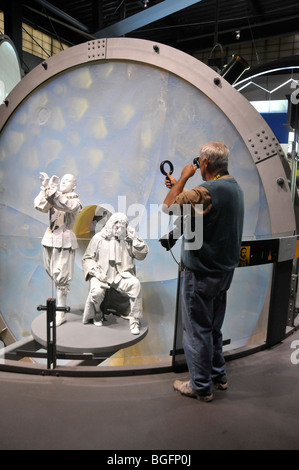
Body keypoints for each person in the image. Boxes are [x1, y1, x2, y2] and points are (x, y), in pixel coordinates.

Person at [163, 142, 244, 402]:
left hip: (200, 274)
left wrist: (184, 177)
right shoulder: (233, 187)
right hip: (224, 273)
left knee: (197, 330)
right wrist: (180, 187)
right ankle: (219, 376)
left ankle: (200, 386)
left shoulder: (206, 190)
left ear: (205, 162)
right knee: (213, 329)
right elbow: (203, 206)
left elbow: (168, 206)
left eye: (199, 161)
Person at [82, 212, 149, 335]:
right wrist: (96, 272)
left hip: (121, 276)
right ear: (110, 225)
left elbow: (141, 255)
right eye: (116, 227)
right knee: (97, 292)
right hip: (101, 275)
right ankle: (97, 313)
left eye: (122, 228)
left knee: (135, 284)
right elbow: (87, 259)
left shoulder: (127, 241)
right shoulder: (98, 238)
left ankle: (134, 320)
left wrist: (134, 239)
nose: (118, 230)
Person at [34, 172, 82, 326]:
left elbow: (64, 205)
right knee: (53, 274)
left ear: (74, 185)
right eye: (63, 179)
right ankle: (58, 311)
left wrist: (52, 192)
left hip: (64, 240)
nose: (63, 182)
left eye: (68, 181)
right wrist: (45, 187)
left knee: (61, 277)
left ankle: (60, 313)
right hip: (50, 238)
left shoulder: (75, 201)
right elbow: (40, 205)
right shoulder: (55, 197)